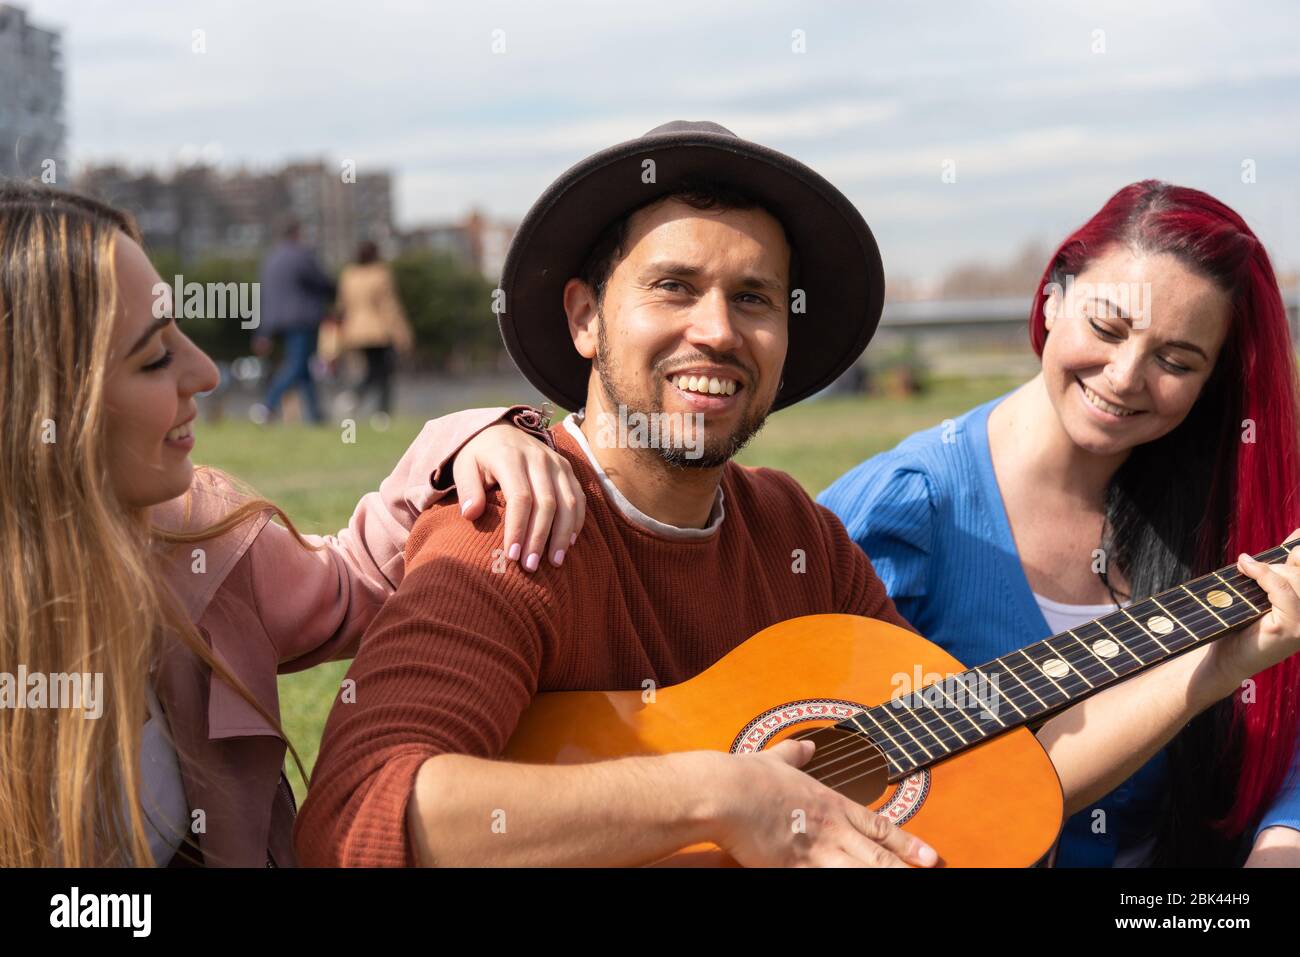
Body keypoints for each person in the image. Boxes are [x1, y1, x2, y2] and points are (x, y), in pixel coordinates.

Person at [294, 123, 1300, 868]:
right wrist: (715, 794)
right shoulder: (510, 528)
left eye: (754, 300)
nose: (719, 333)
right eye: (674, 288)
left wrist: (1224, 652)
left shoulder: (797, 535)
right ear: (584, 317)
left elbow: (962, 760)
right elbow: (356, 813)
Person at [0, 180, 585, 866]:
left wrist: (469, 441)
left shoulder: (205, 546)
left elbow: (362, 576)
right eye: (155, 356)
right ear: (41, 404)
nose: (207, 371)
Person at [820, 181, 1300, 867]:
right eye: (1107, 327)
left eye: (1175, 361)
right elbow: (826, 770)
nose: (1126, 376)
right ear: (1052, 296)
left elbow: (1288, 727)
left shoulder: (1227, 511)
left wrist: (1284, 840)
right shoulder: (902, 509)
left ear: (1210, 382)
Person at [255, 219, 335, 424]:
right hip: (302, 318)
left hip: (280, 321)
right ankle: (267, 406)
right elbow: (322, 282)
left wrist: (263, 331)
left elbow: (266, 296)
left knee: (304, 368)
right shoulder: (301, 255)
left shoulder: (271, 259)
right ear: (297, 233)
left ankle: (316, 416)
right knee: (298, 366)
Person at [333, 239, 413, 427]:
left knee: (371, 370)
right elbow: (389, 307)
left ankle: (353, 397)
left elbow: (341, 305)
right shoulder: (381, 274)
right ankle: (380, 413)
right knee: (383, 373)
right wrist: (403, 334)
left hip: (355, 331)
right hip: (379, 330)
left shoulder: (348, 276)